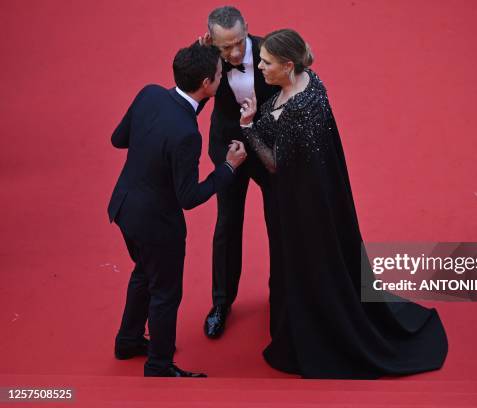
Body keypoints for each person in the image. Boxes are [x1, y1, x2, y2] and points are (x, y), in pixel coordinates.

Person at [239, 29, 448, 379]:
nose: (259, 66)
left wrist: (248, 126)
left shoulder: (295, 112)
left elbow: (274, 163)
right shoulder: (311, 81)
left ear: (288, 65)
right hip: (323, 200)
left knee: (310, 268)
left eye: (266, 62)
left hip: (304, 212)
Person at [107, 42, 247, 377]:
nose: (221, 77)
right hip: (157, 224)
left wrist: (151, 146)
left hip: (124, 207)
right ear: (205, 85)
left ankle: (127, 341)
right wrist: (228, 167)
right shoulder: (187, 134)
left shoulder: (149, 94)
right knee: (166, 292)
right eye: (218, 75)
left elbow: (118, 139)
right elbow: (188, 197)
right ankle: (159, 363)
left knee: (144, 272)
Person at [198, 6, 280, 339]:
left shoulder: (270, 53)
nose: (232, 52)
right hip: (228, 151)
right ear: (211, 40)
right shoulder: (208, 58)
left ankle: (283, 297)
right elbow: (194, 96)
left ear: (247, 28)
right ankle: (221, 303)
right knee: (227, 225)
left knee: (280, 221)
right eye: (223, 47)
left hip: (266, 149)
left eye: (238, 42)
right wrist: (202, 60)